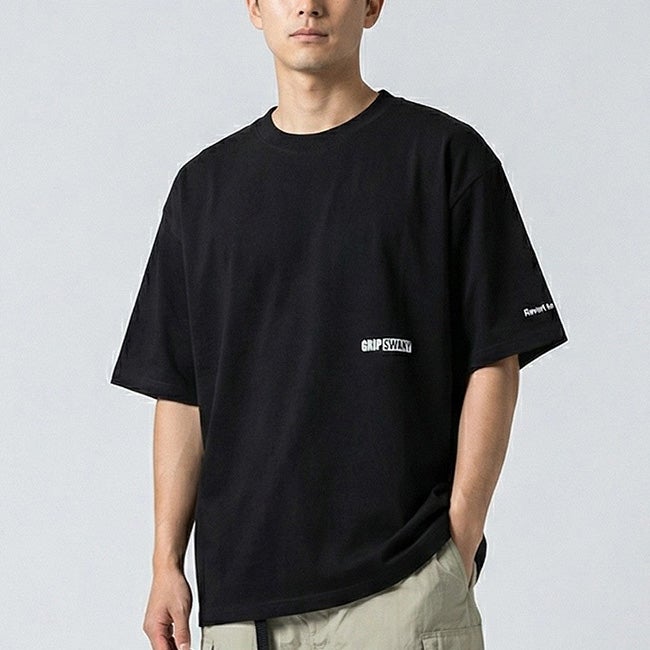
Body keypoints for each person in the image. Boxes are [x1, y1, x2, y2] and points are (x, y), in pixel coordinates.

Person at [109, 1, 569, 648]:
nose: (309, 5)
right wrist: (165, 563)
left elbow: (495, 357)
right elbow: (182, 392)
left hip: (401, 588)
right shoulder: (204, 189)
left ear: (373, 5)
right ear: (254, 8)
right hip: (242, 605)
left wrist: (456, 543)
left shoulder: (444, 158)